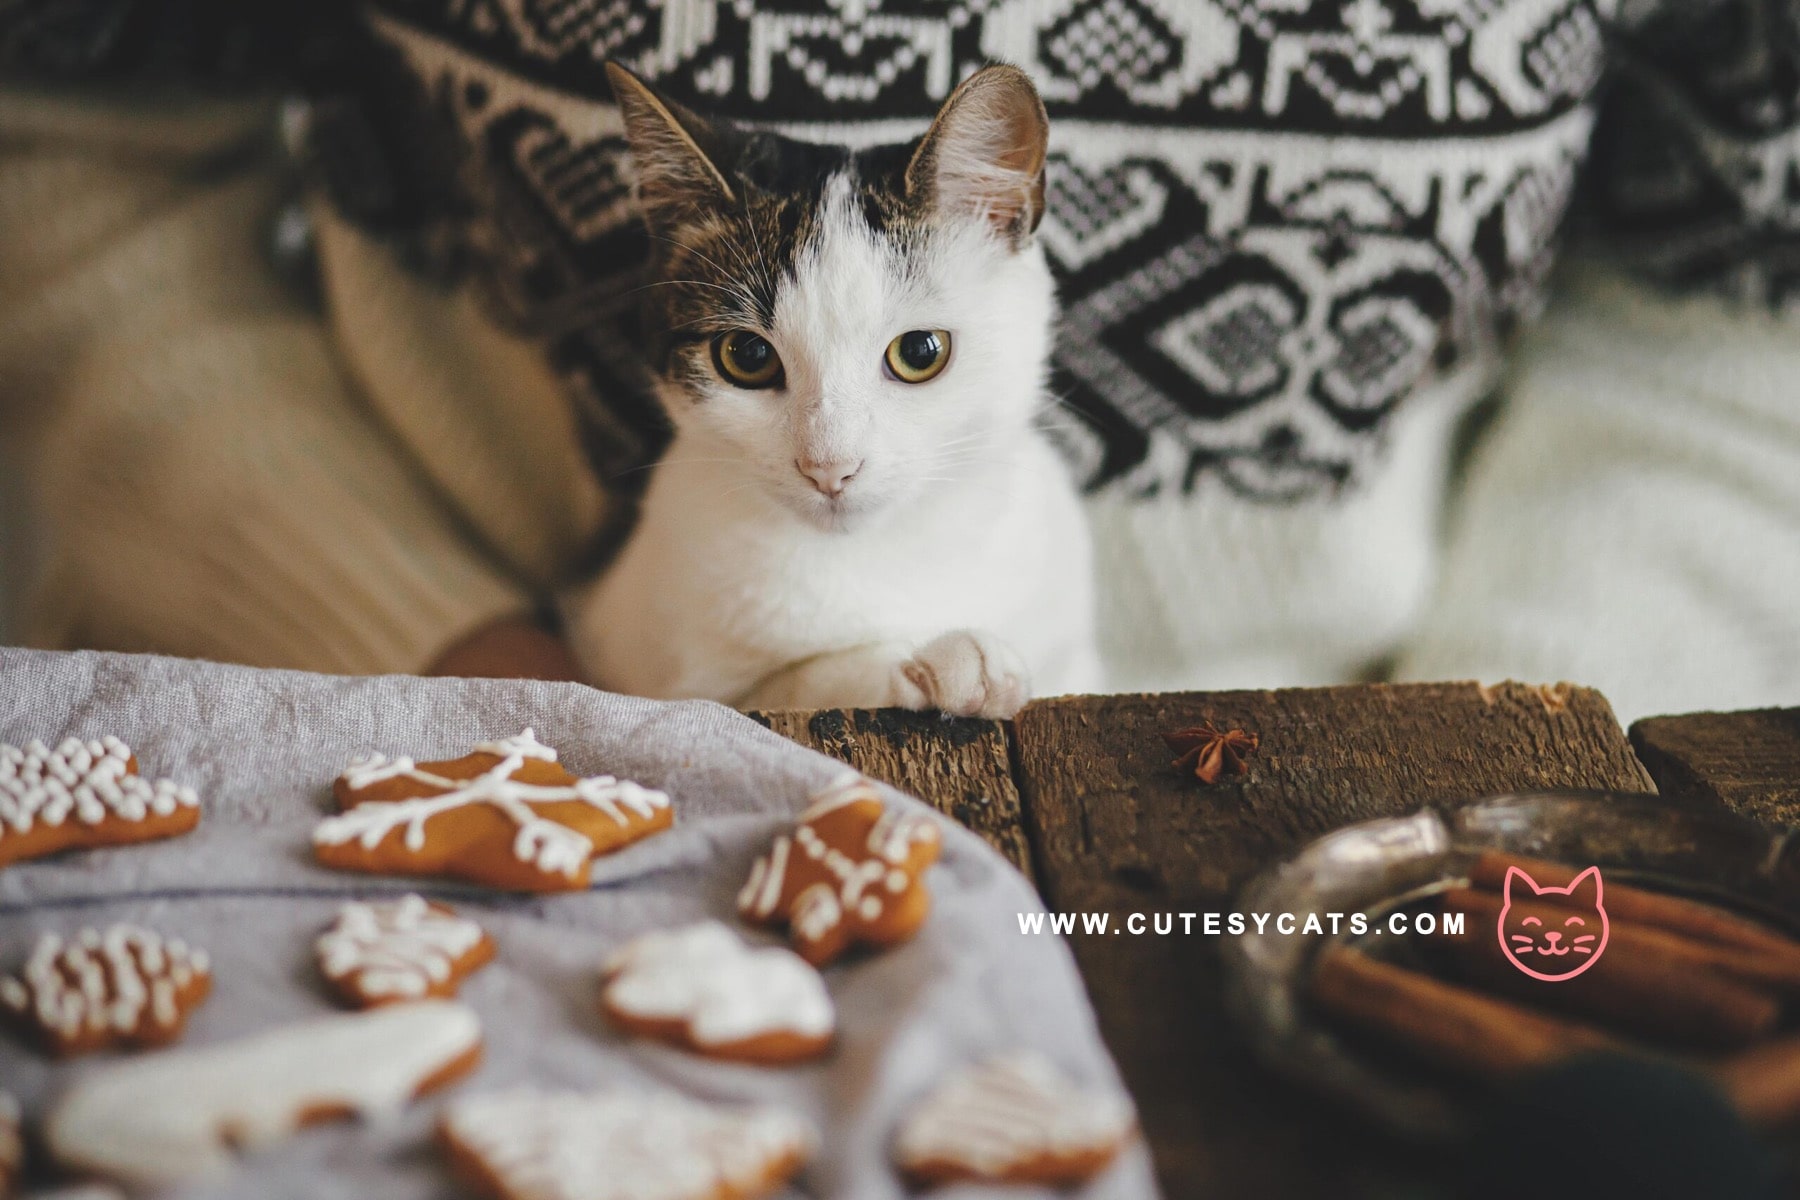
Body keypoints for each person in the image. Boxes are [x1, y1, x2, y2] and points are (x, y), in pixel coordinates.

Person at [1, 0, 1795, 722]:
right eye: (759, 370)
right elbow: (73, 151)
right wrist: (451, 673)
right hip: (523, 730)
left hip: (1408, 816)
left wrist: (1497, 779)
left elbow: (1744, 294)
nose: (836, 455)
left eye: (912, 363)